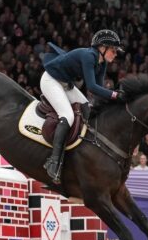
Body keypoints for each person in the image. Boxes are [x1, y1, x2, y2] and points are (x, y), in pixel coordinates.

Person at [40, 29, 125, 183]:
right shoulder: (89, 56)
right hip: (50, 80)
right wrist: (114, 95)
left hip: (66, 84)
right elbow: (92, 87)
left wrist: (115, 99)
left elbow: (99, 90)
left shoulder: (101, 62)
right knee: (68, 116)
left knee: (86, 108)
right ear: (102, 47)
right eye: (113, 50)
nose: (115, 53)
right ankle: (53, 162)